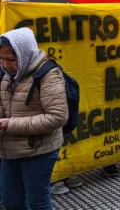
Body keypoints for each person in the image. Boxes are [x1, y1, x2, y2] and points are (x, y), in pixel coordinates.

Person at [0, 28, 68, 209]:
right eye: (2, 59)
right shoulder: (7, 76)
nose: (5, 64)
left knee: (37, 201)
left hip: (38, 149)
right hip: (9, 149)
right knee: (10, 201)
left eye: (11, 60)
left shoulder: (48, 75)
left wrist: (10, 124)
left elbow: (58, 117)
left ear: (24, 54)